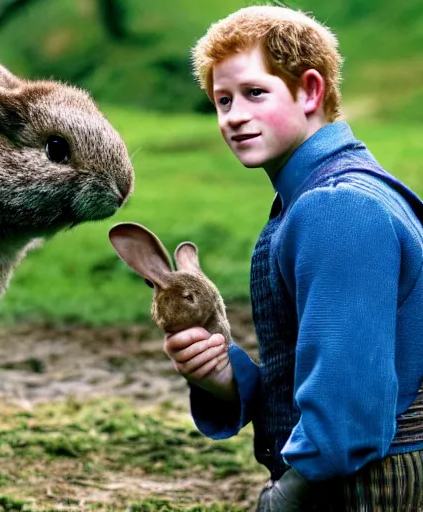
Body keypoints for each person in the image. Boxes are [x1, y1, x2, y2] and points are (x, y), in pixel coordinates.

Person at [163, 5, 423, 511]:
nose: (234, 116)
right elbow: (324, 370)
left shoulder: (338, 207)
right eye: (222, 100)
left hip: (375, 484)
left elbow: (346, 417)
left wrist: (287, 497)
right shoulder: (323, 195)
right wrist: (226, 378)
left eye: (255, 93)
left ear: (310, 90)